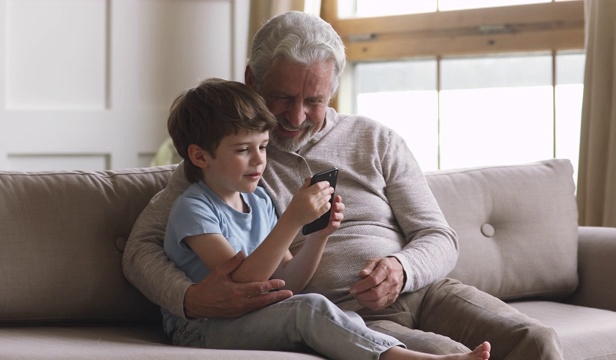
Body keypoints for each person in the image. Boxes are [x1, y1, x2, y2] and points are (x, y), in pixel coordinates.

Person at [123, 11, 563, 360]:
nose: (295, 117)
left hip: (427, 293)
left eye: (313, 100)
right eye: (282, 97)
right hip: (350, 314)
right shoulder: (227, 157)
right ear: (252, 81)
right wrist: (191, 299)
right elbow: (140, 246)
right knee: (450, 356)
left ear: (332, 91)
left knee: (535, 341)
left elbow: (439, 237)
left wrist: (401, 269)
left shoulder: (375, 139)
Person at [160, 77, 490, 360]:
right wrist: (291, 221)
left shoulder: (259, 200)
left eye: (263, 147)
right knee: (311, 310)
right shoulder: (194, 209)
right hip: (202, 329)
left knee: (343, 317)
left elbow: (288, 282)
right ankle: (397, 357)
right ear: (200, 156)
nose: (259, 161)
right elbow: (243, 285)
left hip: (255, 316)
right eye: (243, 150)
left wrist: (319, 236)